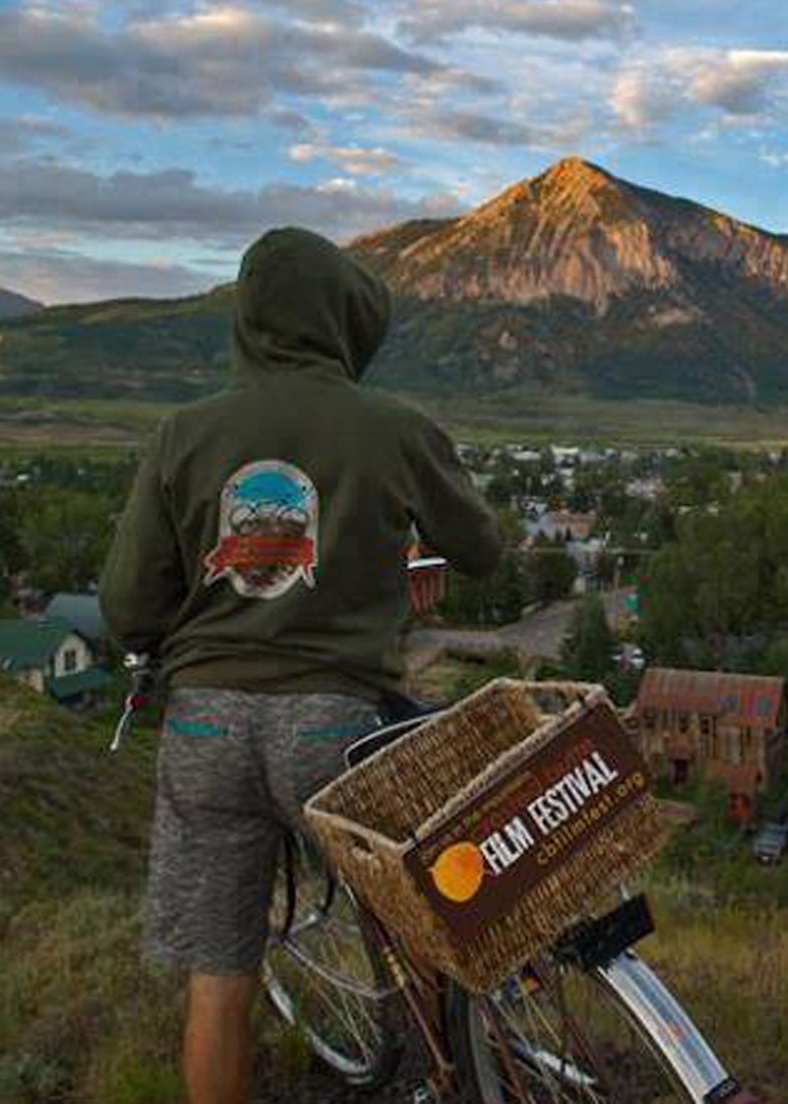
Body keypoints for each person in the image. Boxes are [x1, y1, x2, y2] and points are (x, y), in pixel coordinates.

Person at [99, 227, 502, 1104]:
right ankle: (446, 1075)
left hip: (204, 725)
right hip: (336, 725)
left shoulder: (183, 434)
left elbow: (128, 608)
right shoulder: (392, 428)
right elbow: (482, 548)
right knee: (414, 927)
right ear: (344, 322)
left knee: (219, 980)